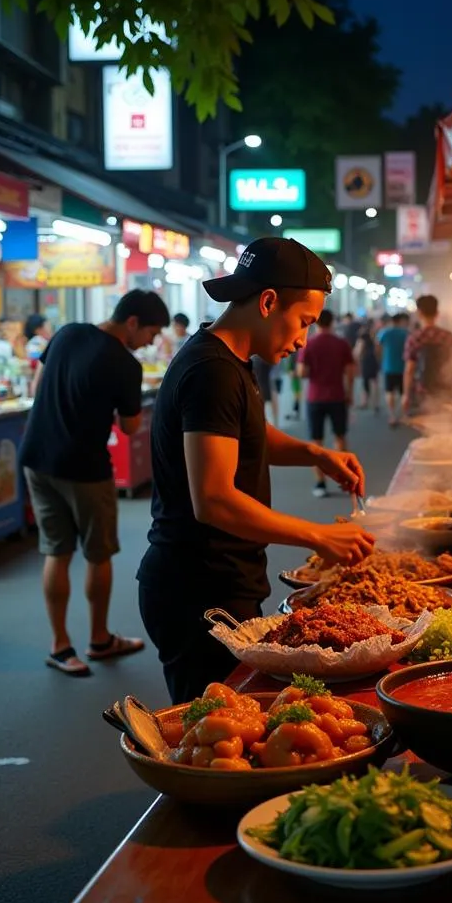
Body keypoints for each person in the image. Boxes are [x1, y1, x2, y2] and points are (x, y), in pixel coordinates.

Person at [137, 238, 375, 702]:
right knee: (213, 739)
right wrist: (319, 535)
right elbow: (214, 500)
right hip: (197, 590)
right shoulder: (212, 372)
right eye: (303, 321)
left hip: (219, 580)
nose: (304, 339)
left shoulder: (228, 360)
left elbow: (246, 433)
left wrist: (315, 453)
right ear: (268, 302)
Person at [20, 290, 171, 677]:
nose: (151, 342)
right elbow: (130, 425)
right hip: (85, 466)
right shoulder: (125, 364)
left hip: (37, 458)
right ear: (133, 322)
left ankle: (59, 646)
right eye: (151, 333)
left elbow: (37, 387)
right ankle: (99, 639)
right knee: (98, 553)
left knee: (56, 551)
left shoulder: (67, 333)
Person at [299, 309, 357, 497]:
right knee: (340, 438)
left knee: (316, 443)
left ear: (315, 322)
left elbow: (302, 372)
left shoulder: (309, 344)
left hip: (315, 397)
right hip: (337, 396)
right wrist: (349, 392)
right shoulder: (341, 343)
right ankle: (346, 478)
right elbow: (350, 371)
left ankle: (320, 484)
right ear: (333, 322)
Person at [403, 295, 452, 412]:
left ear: (419, 313)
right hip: (446, 390)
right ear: (437, 313)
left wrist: (406, 395)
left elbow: (409, 370)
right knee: (447, 424)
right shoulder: (448, 336)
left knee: (427, 425)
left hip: (423, 392)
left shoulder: (415, 338)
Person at [378, 312, 409, 426]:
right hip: (403, 367)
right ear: (401, 321)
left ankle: (392, 416)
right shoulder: (405, 333)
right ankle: (404, 415)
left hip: (388, 366)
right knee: (403, 392)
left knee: (389, 392)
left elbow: (378, 346)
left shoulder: (385, 332)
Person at [354, 321, 380, 413]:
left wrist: (356, 358)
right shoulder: (374, 336)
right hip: (373, 360)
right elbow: (378, 350)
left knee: (365, 382)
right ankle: (376, 403)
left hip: (365, 360)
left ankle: (365, 402)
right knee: (374, 382)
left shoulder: (362, 337)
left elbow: (358, 351)